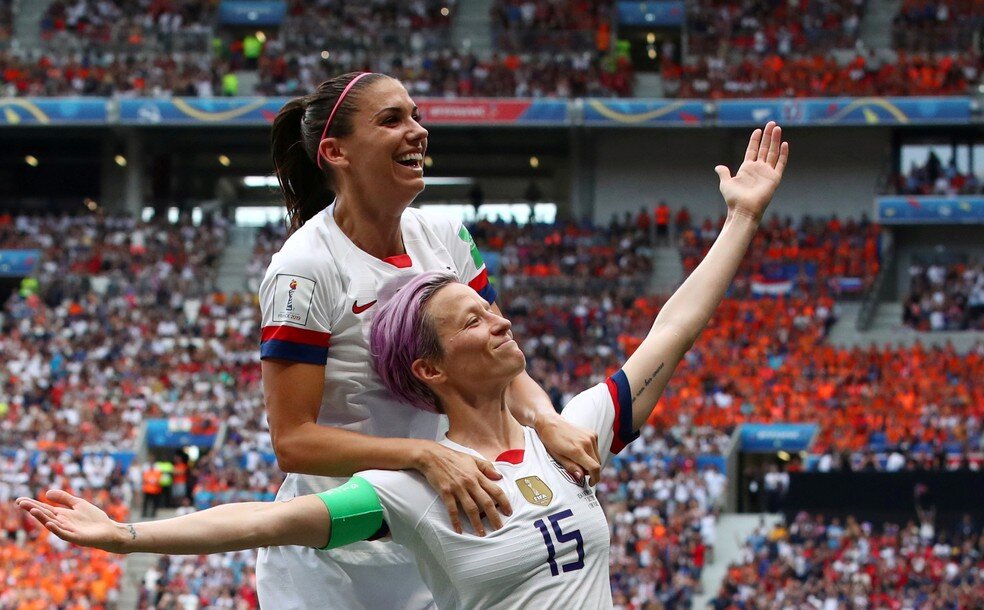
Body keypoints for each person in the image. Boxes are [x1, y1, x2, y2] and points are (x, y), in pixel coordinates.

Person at [18, 123, 789, 610]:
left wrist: (742, 218)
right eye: (474, 320)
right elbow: (268, 519)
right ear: (429, 368)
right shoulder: (411, 489)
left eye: (490, 309)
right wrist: (126, 535)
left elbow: (672, 332)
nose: (500, 317)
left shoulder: (568, 434)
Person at [258, 71, 599, 608]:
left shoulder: (446, 236)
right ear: (336, 151)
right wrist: (421, 454)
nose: (418, 131)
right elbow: (293, 442)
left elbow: (502, 360)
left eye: (416, 115)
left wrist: (545, 418)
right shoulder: (303, 269)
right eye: (392, 120)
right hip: (338, 561)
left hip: (441, 530)